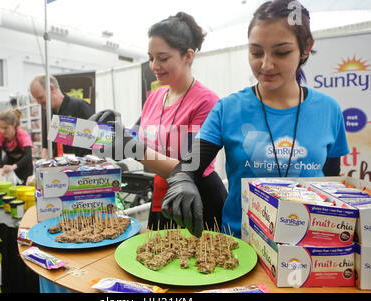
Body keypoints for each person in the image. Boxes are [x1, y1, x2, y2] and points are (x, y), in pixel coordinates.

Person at [160, 0, 350, 238]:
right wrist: (182, 180)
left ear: (305, 47)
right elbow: (190, 165)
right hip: (243, 247)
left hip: (311, 246)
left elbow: (330, 183)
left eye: (281, 52)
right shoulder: (228, 109)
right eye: (256, 52)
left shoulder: (328, 110)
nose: (266, 65)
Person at [90, 12, 227, 231]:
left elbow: (190, 167)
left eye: (162, 58)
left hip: (197, 200)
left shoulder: (206, 102)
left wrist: (131, 147)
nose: (154, 65)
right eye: (151, 57)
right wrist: (115, 128)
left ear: (188, 56)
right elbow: (138, 138)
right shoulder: (155, 98)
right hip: (162, 196)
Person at [29, 74, 93, 158]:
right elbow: (46, 147)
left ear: (51, 89)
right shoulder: (48, 114)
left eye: (40, 97)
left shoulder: (79, 106)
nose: (38, 102)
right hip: (58, 168)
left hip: (80, 168)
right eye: (36, 99)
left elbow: (95, 141)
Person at [0, 109, 33, 185]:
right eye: (1, 127)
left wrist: (13, 167)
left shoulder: (23, 135)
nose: (2, 131)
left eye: (6, 128)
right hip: (9, 160)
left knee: (24, 187)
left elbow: (28, 156)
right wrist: (0, 169)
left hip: (24, 162)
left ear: (14, 125)